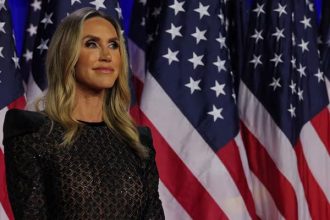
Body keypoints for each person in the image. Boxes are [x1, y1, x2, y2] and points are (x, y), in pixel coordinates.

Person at [3, 7, 164, 219]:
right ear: (67, 54)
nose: (106, 55)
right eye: (92, 44)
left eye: (114, 45)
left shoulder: (137, 141)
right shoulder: (33, 133)